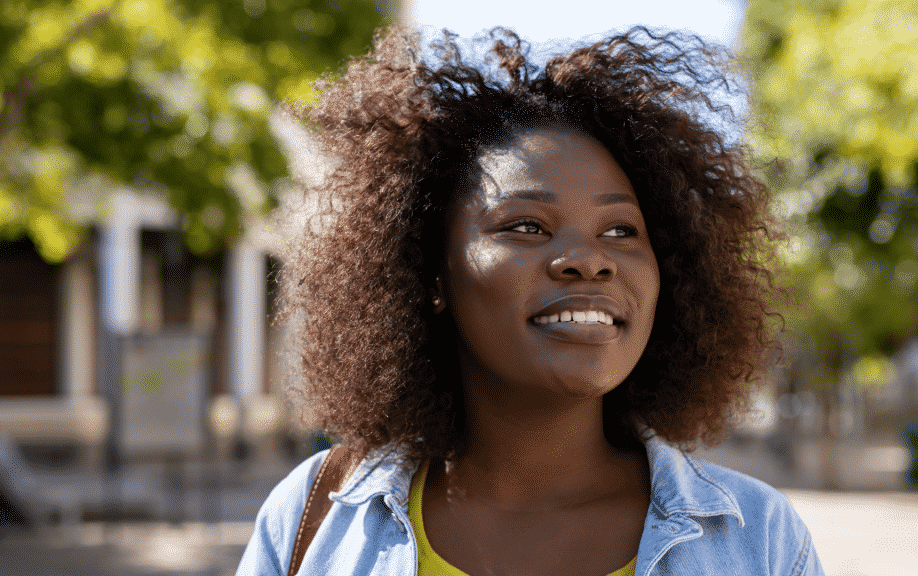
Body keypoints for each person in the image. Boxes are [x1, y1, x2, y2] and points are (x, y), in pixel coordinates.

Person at [236, 26, 825, 576]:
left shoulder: (759, 542)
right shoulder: (315, 519)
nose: (590, 259)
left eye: (621, 231)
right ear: (433, 275)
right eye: (526, 226)